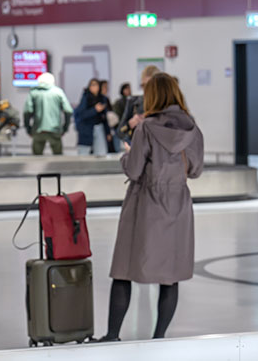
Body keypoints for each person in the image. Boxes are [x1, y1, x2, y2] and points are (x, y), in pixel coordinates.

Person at [95, 73, 204, 342]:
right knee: (171, 275)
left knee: (124, 269)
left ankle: (112, 335)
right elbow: (196, 170)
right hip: (178, 203)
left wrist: (126, 154)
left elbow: (133, 170)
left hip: (145, 204)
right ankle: (159, 337)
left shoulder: (145, 128)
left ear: (153, 96)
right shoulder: (192, 129)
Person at [23, 72, 73, 156]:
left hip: (38, 130)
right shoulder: (58, 92)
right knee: (58, 158)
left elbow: (27, 112)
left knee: (36, 160)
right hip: (55, 129)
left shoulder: (34, 93)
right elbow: (68, 111)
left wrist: (28, 129)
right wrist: (65, 128)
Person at [118, 65, 162, 144]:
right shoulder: (133, 102)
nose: (145, 88)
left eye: (149, 85)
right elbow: (119, 132)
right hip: (139, 150)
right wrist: (129, 124)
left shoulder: (166, 104)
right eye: (143, 85)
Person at [75, 79, 109, 157]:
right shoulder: (85, 97)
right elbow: (82, 114)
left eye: (96, 85)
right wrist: (95, 110)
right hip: (86, 128)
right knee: (84, 153)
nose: (95, 87)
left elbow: (104, 118)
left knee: (101, 153)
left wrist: (108, 132)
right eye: (92, 85)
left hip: (99, 127)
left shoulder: (102, 98)